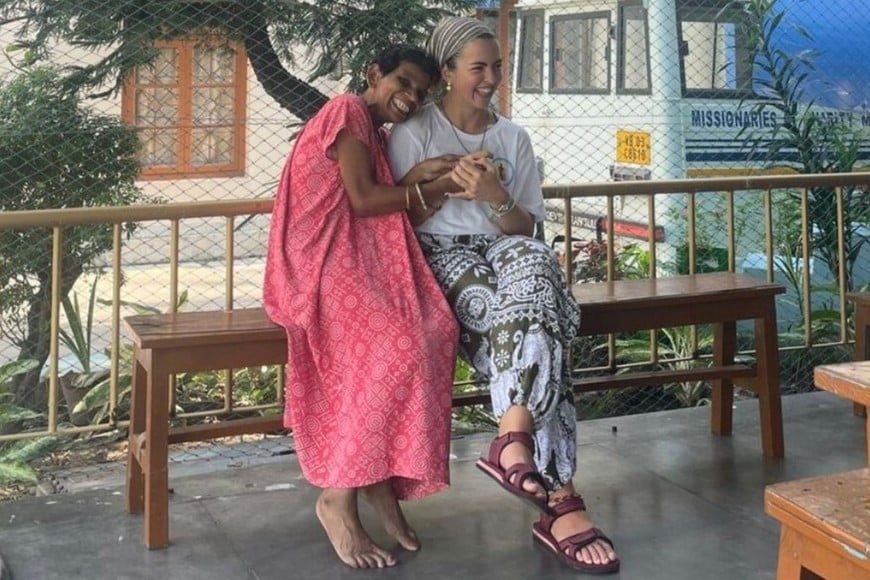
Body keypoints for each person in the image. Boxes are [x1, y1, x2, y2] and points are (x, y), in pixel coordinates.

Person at [388, 17, 620, 574]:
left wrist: (494, 195)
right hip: (442, 253)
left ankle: (512, 435)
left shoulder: (513, 137)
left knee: (537, 267)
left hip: (505, 247)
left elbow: (526, 228)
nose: (491, 78)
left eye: (496, 67)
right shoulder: (414, 132)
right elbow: (396, 221)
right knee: (541, 326)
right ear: (447, 72)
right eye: (478, 68)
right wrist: (441, 185)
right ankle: (561, 500)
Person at [263, 44, 461, 569]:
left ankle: (377, 478)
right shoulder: (347, 110)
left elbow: (386, 199)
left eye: (421, 92)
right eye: (403, 82)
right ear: (374, 75)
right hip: (315, 265)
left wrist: (425, 179)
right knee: (399, 346)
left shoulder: (378, 135)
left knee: (436, 329)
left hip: (349, 262)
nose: (411, 97)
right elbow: (365, 200)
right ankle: (338, 498)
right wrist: (438, 185)